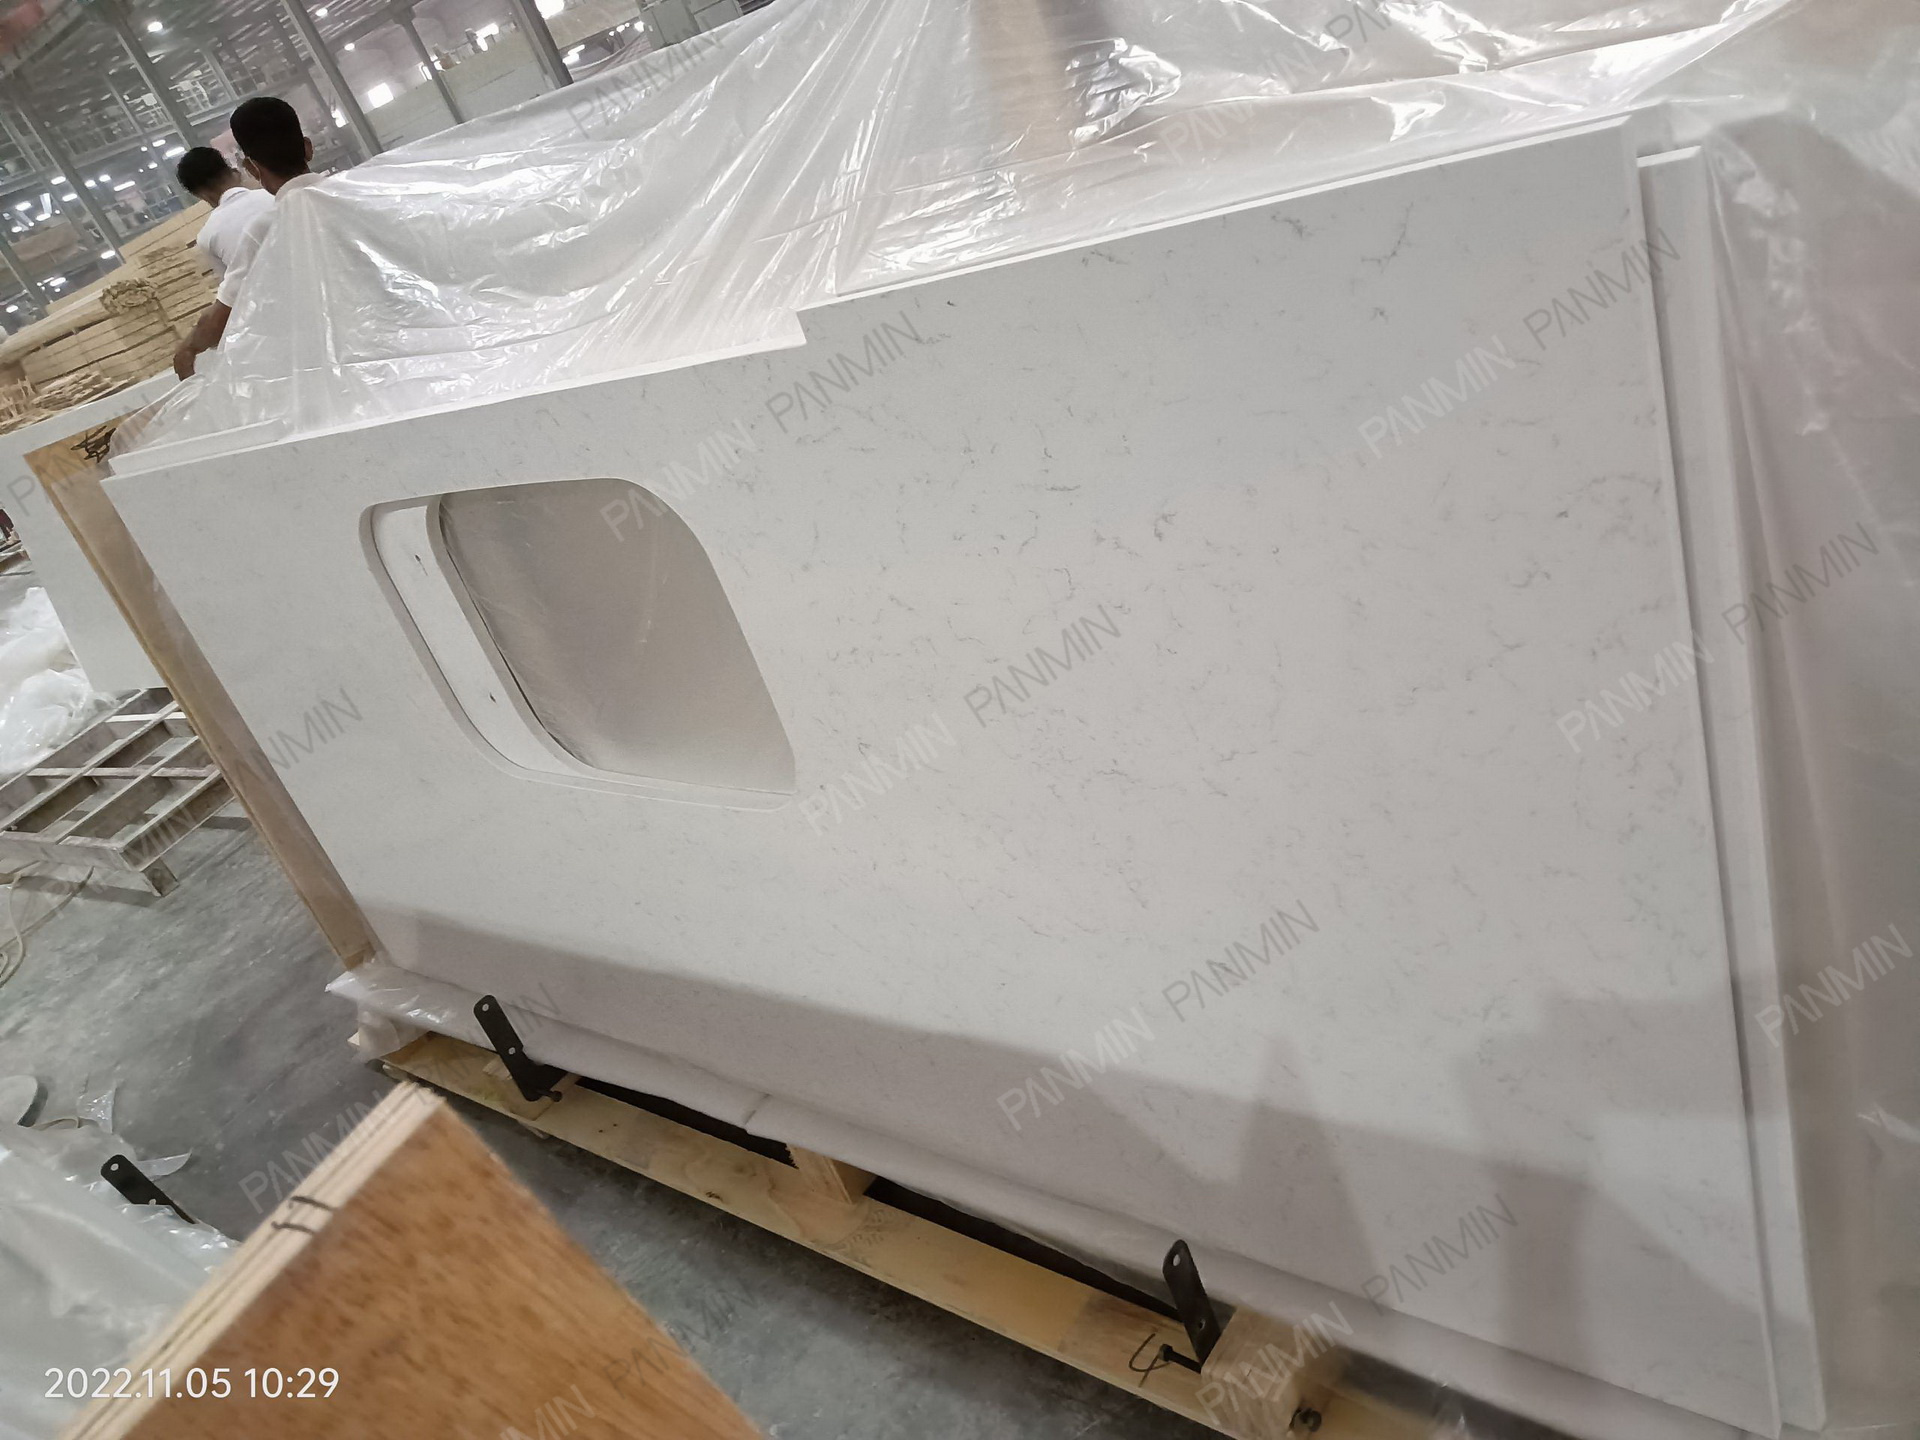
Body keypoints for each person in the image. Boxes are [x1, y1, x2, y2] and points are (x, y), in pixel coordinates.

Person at [172, 97, 321, 380]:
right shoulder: (361, 193)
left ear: (251, 167)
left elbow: (229, 311)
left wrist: (188, 348)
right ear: (308, 147)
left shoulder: (256, 229)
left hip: (308, 350)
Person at [175, 146, 272, 284]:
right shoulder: (275, 196)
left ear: (201, 195)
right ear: (235, 173)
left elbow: (232, 291)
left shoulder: (207, 236)